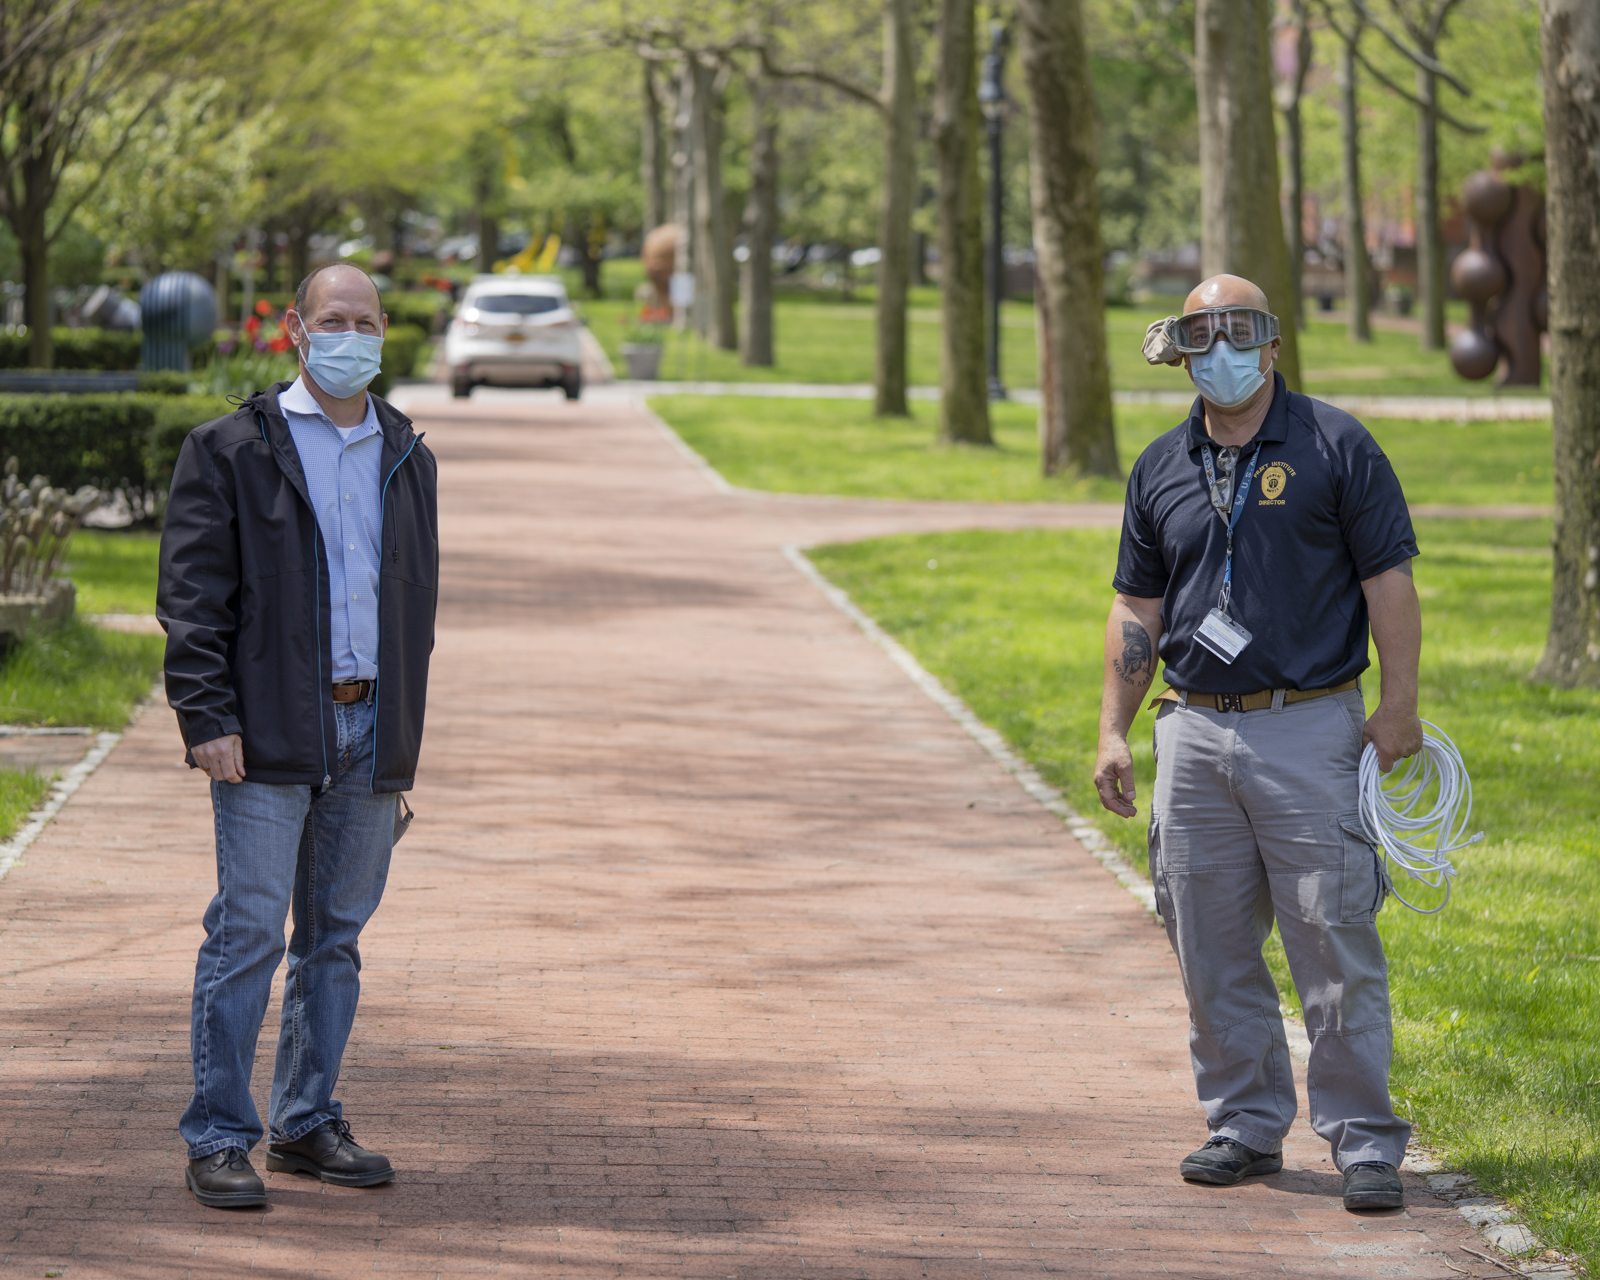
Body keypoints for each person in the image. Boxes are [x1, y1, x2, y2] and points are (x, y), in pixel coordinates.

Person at [1095, 273, 1422, 1213]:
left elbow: (1389, 584)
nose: (1224, 353)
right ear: (1182, 351)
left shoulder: (1336, 446)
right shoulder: (1159, 466)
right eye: (1204, 336)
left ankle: (1365, 1142)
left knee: (1334, 937)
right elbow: (1136, 605)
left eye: (1240, 333)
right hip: (1192, 732)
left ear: (1272, 346)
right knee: (1208, 943)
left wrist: (1396, 708)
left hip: (1310, 722)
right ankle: (1243, 1123)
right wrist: (1114, 729)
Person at [158, 263, 439, 1208]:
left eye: (364, 320)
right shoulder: (231, 448)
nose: (349, 334)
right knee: (246, 934)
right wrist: (207, 716)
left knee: (335, 943)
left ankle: (307, 1122)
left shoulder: (406, 451)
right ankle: (219, 1135)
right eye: (332, 319)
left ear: (384, 330)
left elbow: (412, 607)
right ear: (295, 329)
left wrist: (398, 734)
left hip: (369, 727)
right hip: (269, 726)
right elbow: (193, 601)